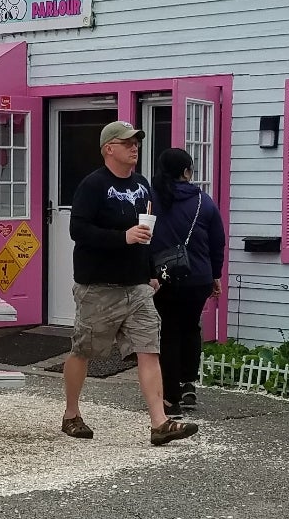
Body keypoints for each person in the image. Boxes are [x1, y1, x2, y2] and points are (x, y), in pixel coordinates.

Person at [60, 121, 198, 447]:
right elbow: (78, 231)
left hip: (137, 285)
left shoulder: (143, 185)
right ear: (109, 148)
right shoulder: (93, 186)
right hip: (98, 285)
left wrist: (151, 271)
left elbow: (146, 235)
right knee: (84, 350)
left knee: (150, 349)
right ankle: (71, 414)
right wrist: (122, 237)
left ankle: (160, 423)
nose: (135, 147)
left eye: (136, 142)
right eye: (127, 143)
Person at [149, 147, 226, 418]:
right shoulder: (204, 201)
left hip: (164, 277)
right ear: (186, 172)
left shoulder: (151, 200)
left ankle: (171, 397)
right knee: (191, 328)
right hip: (198, 278)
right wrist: (215, 274)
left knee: (169, 331)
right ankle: (188, 384)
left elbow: (144, 239)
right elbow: (218, 243)